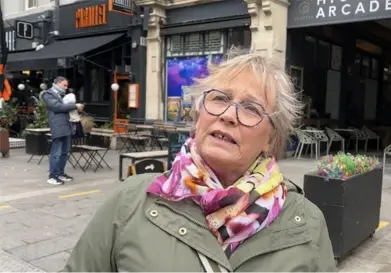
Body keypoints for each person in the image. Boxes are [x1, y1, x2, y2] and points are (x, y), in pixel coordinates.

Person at [64, 50, 336, 272]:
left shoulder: (307, 224)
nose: (229, 115)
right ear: (198, 114)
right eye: (219, 99)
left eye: (251, 108)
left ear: (270, 138)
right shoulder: (129, 202)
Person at [41, 77, 84, 185]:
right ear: (58, 83)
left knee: (65, 152)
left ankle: (60, 173)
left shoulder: (62, 95)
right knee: (56, 152)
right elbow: (57, 107)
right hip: (58, 126)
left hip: (67, 125)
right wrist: (74, 106)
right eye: (64, 85)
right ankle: (52, 176)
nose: (66, 87)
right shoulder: (47, 94)